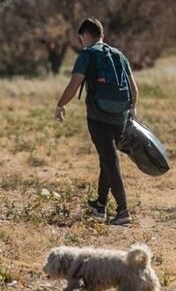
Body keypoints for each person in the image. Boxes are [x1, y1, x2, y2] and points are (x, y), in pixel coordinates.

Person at [54, 18, 138, 226]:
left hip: (98, 116)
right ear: (102, 35)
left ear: (84, 36)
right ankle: (100, 204)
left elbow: (75, 84)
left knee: (110, 161)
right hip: (120, 116)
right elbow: (134, 89)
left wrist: (60, 104)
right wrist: (131, 111)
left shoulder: (87, 54)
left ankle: (123, 211)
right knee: (107, 159)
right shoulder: (118, 54)